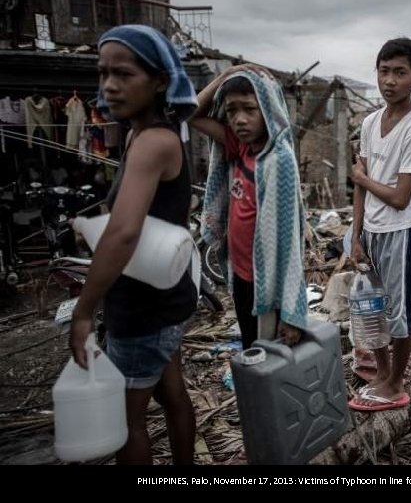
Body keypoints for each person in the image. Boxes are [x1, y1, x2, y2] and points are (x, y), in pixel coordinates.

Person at [70, 24, 199, 464]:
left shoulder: (153, 143)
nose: (109, 84)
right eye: (103, 72)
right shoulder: (143, 135)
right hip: (166, 297)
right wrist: (90, 224)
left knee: (127, 423)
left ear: (160, 80)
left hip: (142, 307)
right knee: (172, 394)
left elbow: (125, 233)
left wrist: (84, 312)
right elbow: (133, 214)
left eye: (124, 74)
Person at [191, 65, 307, 350]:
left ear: (268, 109)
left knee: (271, 358)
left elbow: (288, 242)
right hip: (242, 274)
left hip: (268, 285)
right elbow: (190, 113)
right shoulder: (240, 147)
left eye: (249, 109)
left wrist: (291, 312)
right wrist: (225, 76)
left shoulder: (279, 160)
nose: (239, 120)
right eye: (231, 111)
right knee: (250, 348)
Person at [348, 37, 411, 411]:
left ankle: (397, 383)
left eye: (400, 73)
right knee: (374, 306)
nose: (390, 80)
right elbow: (360, 189)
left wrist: (362, 179)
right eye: (384, 71)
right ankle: (382, 375)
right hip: (372, 232)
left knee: (401, 311)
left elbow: (400, 197)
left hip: (402, 232)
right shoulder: (369, 122)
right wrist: (355, 235)